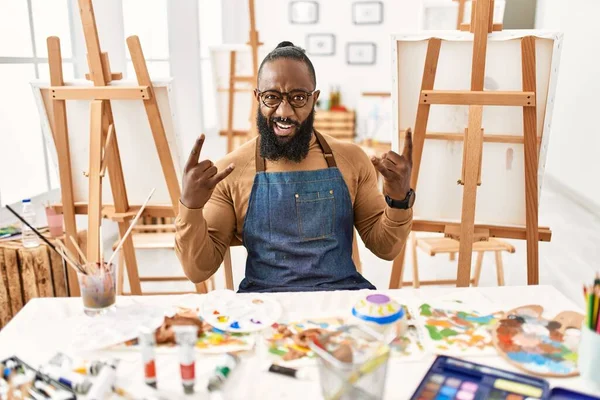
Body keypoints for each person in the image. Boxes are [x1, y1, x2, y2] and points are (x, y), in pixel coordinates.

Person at [175, 41, 415, 293]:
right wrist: (190, 207)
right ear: (258, 98)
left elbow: (386, 248)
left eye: (298, 97)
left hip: (342, 300)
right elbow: (198, 270)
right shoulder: (230, 171)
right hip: (264, 309)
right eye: (271, 97)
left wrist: (398, 200)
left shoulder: (352, 159)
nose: (284, 111)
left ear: (315, 99)